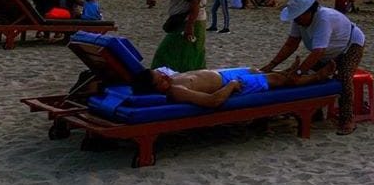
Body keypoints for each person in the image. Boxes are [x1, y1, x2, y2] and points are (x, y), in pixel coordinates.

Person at [261, 0, 367, 134]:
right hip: (327, 51)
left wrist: (299, 72)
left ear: (308, 11)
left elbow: (318, 52)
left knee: (344, 77)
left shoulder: (323, 19)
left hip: (351, 45)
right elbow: (291, 44)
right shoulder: (298, 21)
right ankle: (316, 114)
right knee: (309, 76)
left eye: (298, 17)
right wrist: (272, 65)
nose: (296, 20)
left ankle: (347, 119)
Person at [134, 61, 335, 108]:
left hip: (223, 74)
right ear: (156, 89)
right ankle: (316, 78)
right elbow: (213, 101)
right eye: (160, 79)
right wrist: (231, 85)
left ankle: (288, 72)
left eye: (161, 73)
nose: (165, 76)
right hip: (231, 82)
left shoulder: (169, 81)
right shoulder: (176, 91)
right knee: (277, 81)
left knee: (257, 71)